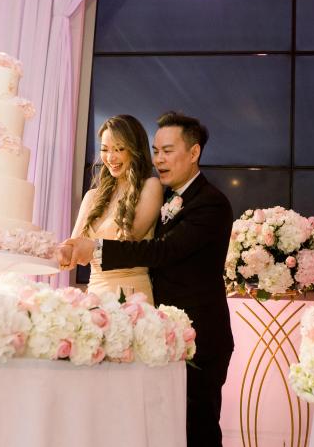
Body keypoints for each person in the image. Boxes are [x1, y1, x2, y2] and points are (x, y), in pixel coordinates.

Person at [58, 112, 234, 447]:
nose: (159, 159)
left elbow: (162, 251)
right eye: (155, 151)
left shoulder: (210, 203)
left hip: (200, 334)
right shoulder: (166, 197)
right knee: (159, 426)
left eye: (167, 151)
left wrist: (96, 249)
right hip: (160, 323)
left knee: (197, 427)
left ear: (194, 152)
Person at [62, 114, 162, 304]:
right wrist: (52, 252)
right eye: (104, 149)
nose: (110, 157)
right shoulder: (92, 196)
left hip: (132, 298)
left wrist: (89, 248)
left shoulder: (150, 186)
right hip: (94, 299)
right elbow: (74, 252)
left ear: (135, 149)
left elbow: (129, 242)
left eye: (119, 149)